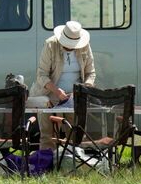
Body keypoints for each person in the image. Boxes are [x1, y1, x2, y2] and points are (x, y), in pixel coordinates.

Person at [29, 21, 96, 150]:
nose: (70, 47)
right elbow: (41, 75)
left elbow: (91, 73)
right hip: (49, 94)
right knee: (47, 134)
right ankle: (47, 164)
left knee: (76, 133)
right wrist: (56, 91)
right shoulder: (50, 44)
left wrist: (82, 89)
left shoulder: (85, 46)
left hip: (74, 96)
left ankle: (72, 162)